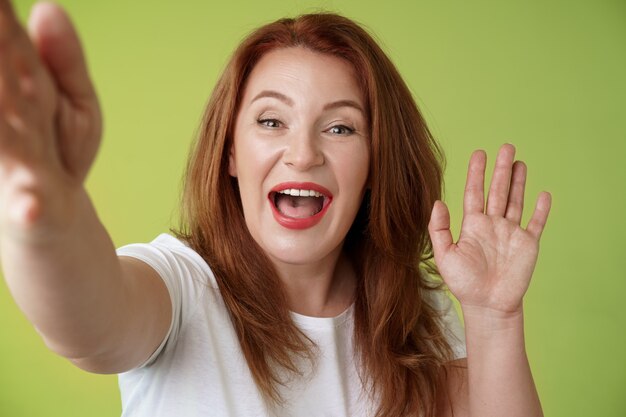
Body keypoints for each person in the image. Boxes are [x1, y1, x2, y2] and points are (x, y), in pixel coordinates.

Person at [0, 1, 552, 417]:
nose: (304, 153)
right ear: (232, 152)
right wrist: (51, 220)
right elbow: (88, 328)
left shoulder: (414, 308)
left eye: (340, 127)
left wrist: (494, 318)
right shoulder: (183, 286)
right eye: (271, 121)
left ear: (374, 165)